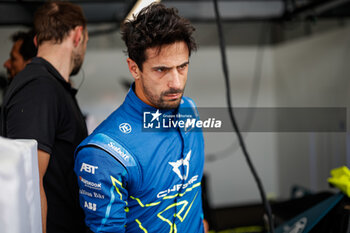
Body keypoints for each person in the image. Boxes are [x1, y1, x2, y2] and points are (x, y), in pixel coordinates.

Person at [74, 3, 207, 233]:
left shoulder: (189, 110)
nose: (176, 82)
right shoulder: (104, 153)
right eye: (161, 70)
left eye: (182, 67)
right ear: (134, 68)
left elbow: (192, 193)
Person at [1, 2, 88, 233]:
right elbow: (30, 181)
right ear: (78, 35)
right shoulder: (39, 88)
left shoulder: (54, 87)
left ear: (38, 41)